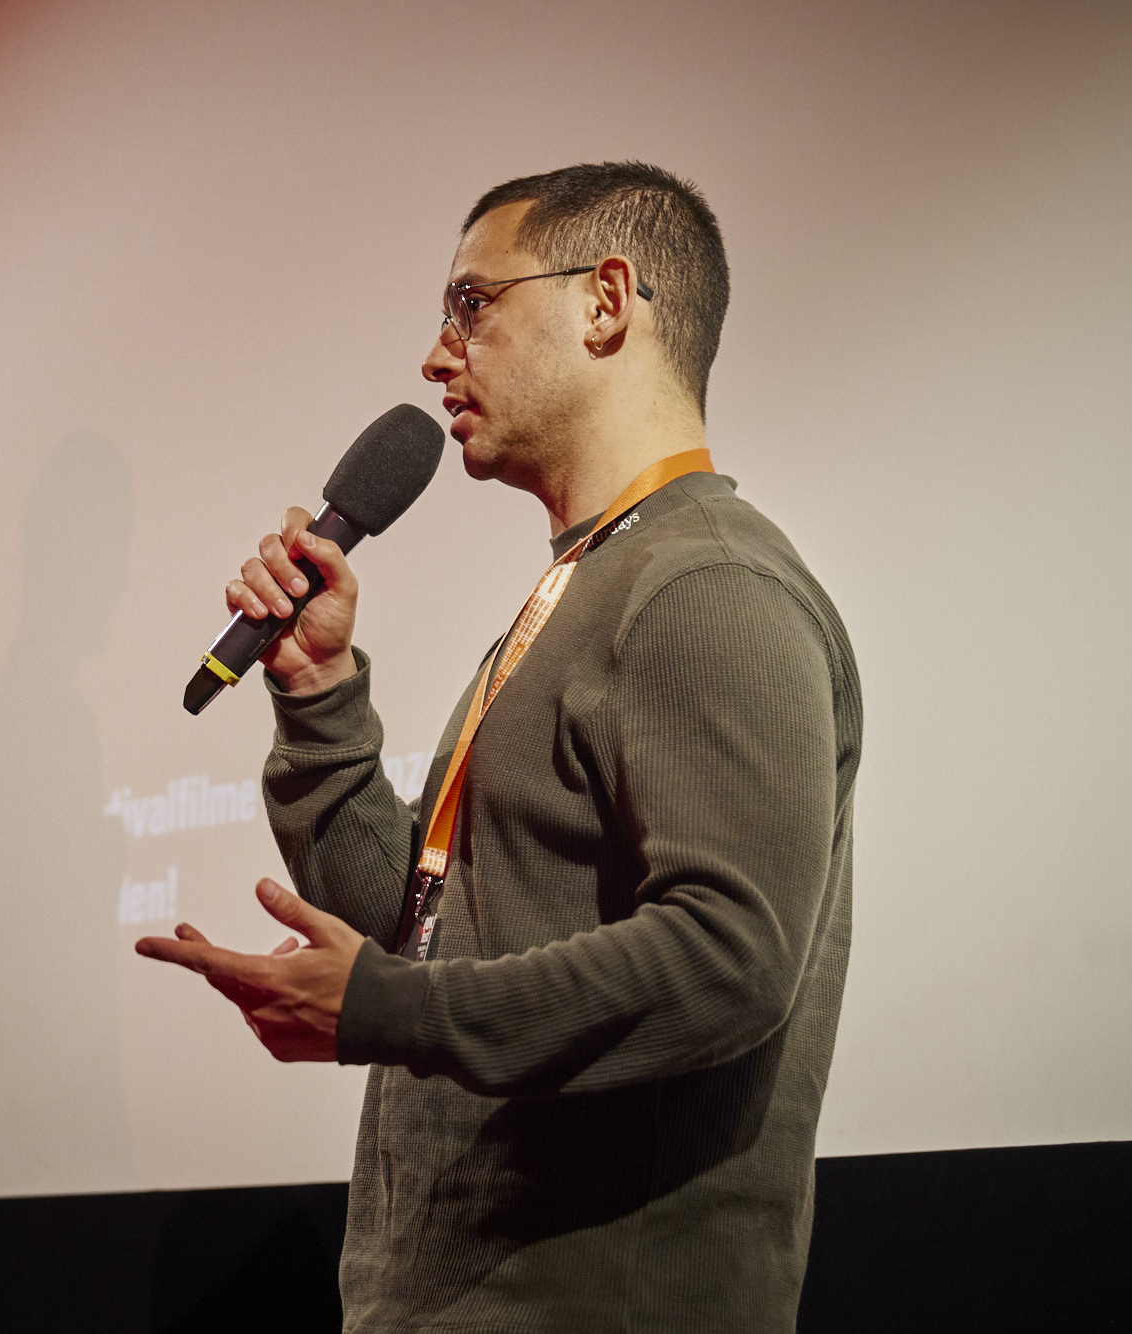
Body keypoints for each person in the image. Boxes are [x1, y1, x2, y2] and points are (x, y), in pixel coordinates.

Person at [138, 162, 861, 1331]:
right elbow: (415, 929)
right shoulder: (586, 588)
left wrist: (387, 1010)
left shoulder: (703, 584)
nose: (434, 356)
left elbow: (729, 958)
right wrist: (318, 692)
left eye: (470, 305)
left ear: (605, 302)